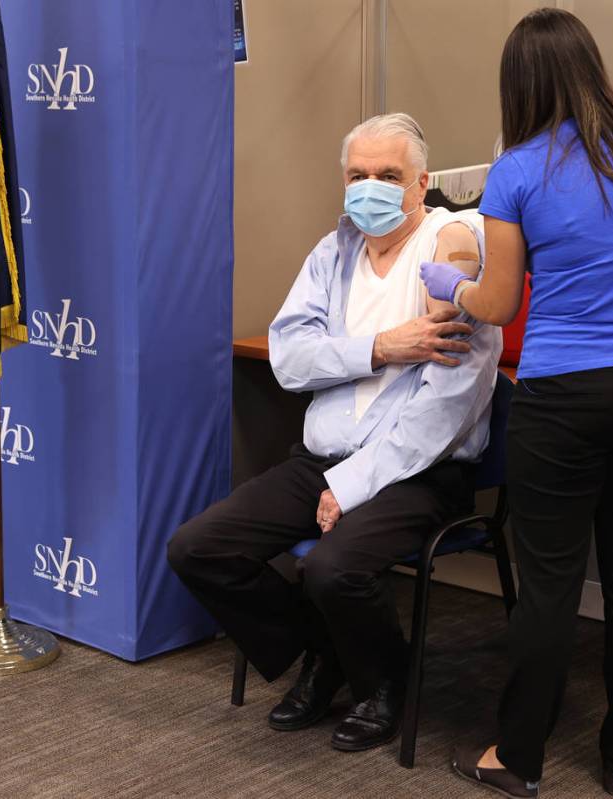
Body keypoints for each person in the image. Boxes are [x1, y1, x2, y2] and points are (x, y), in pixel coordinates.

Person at [168, 113, 501, 753]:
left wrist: (352, 485)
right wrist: (379, 347)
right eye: (358, 175)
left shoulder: (452, 255)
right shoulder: (334, 251)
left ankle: (385, 681)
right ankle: (328, 652)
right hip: (318, 458)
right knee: (198, 548)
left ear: (421, 182)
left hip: (418, 473)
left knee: (332, 568)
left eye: (388, 176)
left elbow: (444, 411)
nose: (370, 188)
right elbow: (289, 360)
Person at [420, 10, 613, 797]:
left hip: (564, 396)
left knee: (549, 583)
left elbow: (498, 304)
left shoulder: (518, 169)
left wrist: (449, 285)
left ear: (520, 84)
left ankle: (518, 756)